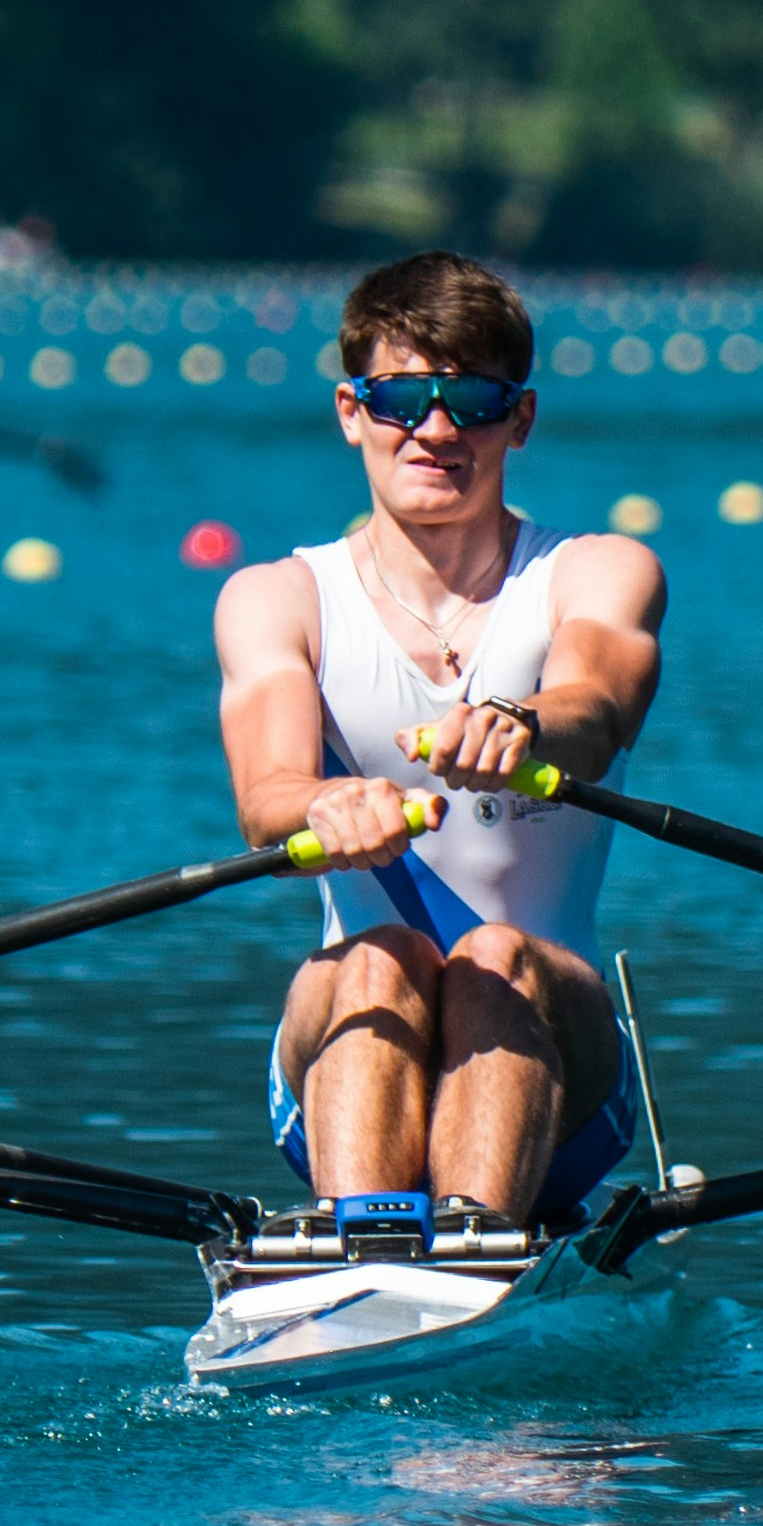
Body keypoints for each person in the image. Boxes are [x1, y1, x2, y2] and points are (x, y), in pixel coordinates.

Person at [213, 253, 666, 1262]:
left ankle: (466, 1255)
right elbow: (267, 797)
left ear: (521, 418)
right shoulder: (276, 597)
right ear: (349, 410)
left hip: (564, 1079)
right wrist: (323, 808)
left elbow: (596, 701)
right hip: (343, 1054)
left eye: (470, 398)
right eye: (400, 398)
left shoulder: (596, 569)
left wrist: (525, 726)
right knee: (379, 955)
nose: (435, 429)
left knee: (490, 957)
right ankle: (371, 1255)